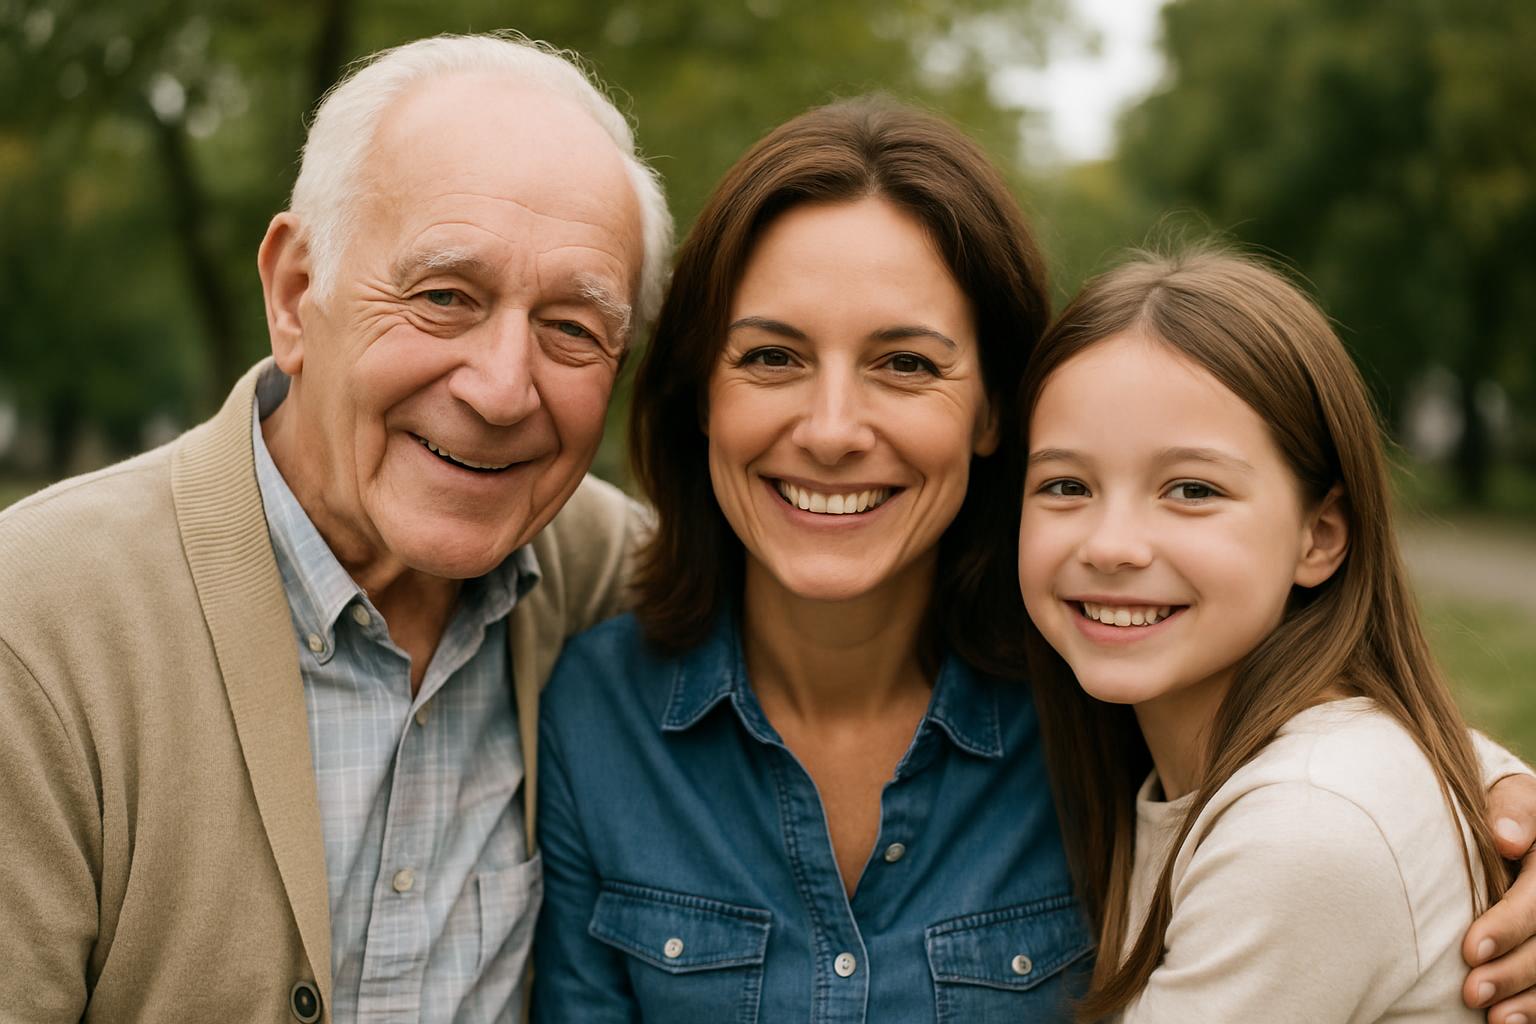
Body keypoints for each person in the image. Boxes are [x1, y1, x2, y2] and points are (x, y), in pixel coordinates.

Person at [532, 98, 1536, 1024]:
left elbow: (1319, 772)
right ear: (699, 394)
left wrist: (1491, 796)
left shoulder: (1093, 675)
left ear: (996, 413)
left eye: (906, 364)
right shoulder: (599, 709)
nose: (832, 429)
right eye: (771, 357)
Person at [0, 33, 668, 1023]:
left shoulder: (618, 581)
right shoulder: (37, 625)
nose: (501, 389)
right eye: (444, 297)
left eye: (572, 327)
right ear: (294, 294)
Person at [1014, 248, 1519, 1021]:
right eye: (1066, 485)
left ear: (1320, 535)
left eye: (1192, 489)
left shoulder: (1304, 827)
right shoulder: (1193, 769)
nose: (1111, 545)